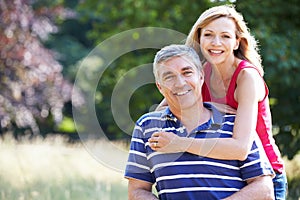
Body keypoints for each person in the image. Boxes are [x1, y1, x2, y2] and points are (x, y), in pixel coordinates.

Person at [155, 4, 287, 200]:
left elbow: (241, 148)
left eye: (225, 36)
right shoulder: (199, 73)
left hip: (263, 178)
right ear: (199, 39)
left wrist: (180, 143)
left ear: (236, 42)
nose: (216, 43)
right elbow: (160, 115)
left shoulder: (247, 78)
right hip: (225, 172)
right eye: (208, 35)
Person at [125, 44, 274, 200]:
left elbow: (264, 189)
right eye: (169, 76)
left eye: (187, 72)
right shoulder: (147, 127)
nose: (180, 83)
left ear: (201, 77)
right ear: (160, 87)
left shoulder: (236, 124)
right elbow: (137, 192)